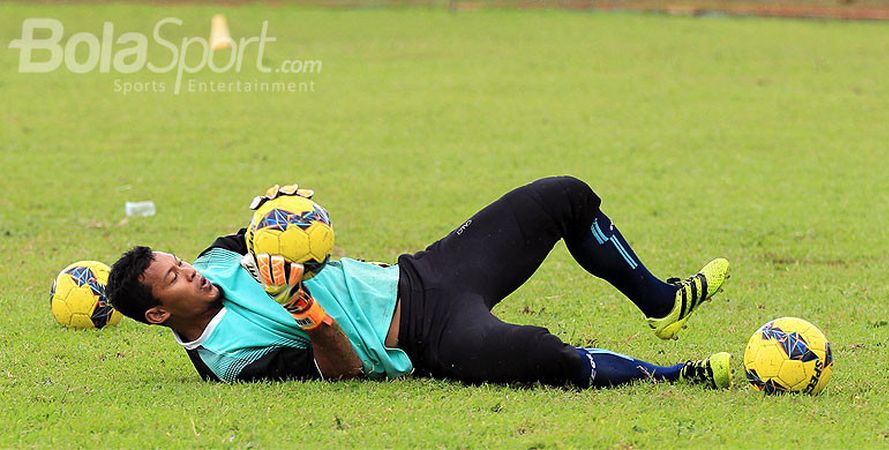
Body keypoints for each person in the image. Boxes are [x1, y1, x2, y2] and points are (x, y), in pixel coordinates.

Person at [106, 176, 733, 389]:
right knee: (540, 355)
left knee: (561, 196)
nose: (190, 269)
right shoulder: (227, 359)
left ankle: (663, 301)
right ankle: (681, 376)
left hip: (427, 272)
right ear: (161, 315)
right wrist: (305, 310)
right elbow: (342, 374)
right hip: (429, 336)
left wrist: (276, 213)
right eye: (174, 278)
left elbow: (260, 238)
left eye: (178, 261)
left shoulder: (213, 262)